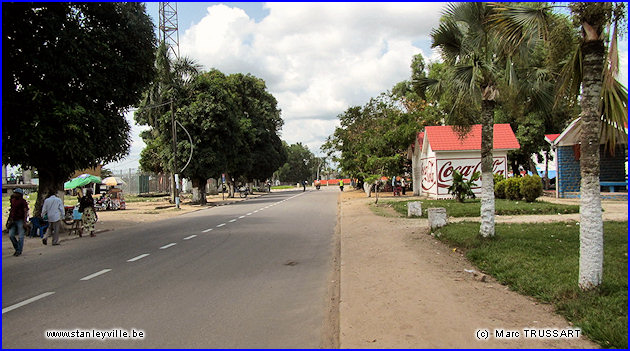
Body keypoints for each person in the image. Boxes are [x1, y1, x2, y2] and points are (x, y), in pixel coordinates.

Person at [8, 188, 29, 256]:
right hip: (13, 220)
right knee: (11, 235)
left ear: (19, 194)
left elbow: (25, 211)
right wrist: (9, 220)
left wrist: (25, 222)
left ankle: (19, 251)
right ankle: (17, 248)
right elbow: (11, 210)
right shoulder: (13, 200)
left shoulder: (23, 202)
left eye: (16, 193)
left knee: (21, 236)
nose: (14, 194)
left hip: (20, 220)